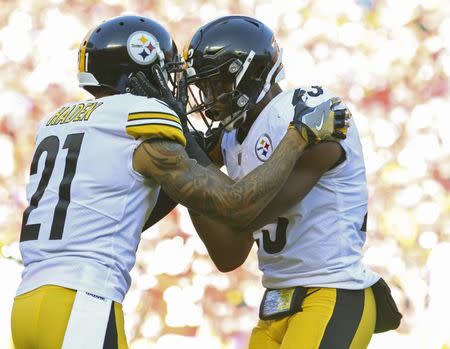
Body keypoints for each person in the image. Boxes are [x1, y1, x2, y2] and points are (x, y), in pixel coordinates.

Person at [10, 15, 350, 349]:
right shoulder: (135, 118)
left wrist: (198, 152)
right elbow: (236, 202)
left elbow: (128, 208)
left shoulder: (60, 123)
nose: (175, 88)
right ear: (141, 75)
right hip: (80, 302)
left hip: (28, 302)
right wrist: (299, 135)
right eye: (164, 74)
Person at [177, 15, 402, 349]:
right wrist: (182, 174)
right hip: (276, 303)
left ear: (248, 74)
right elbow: (228, 256)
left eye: (216, 83)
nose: (208, 95)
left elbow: (243, 213)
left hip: (332, 293)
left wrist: (191, 165)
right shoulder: (230, 139)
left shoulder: (306, 111)